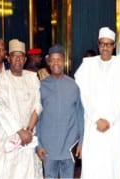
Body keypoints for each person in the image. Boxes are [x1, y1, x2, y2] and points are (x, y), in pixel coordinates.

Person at [75, 27, 120, 179]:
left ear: (114, 46)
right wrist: (96, 119)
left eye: (109, 44)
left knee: (113, 167)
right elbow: (84, 96)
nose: (105, 47)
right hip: (93, 126)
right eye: (102, 44)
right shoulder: (87, 65)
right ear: (98, 45)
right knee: (93, 167)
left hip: (113, 127)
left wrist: (109, 120)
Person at [0, 39, 43, 178]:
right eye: (14, 56)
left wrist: (29, 130)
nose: (18, 59)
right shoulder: (2, 79)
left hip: (29, 137)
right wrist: (20, 132)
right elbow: (1, 106)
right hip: (9, 136)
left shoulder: (32, 77)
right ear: (8, 58)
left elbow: (37, 105)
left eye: (21, 56)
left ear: (25, 59)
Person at [36, 44, 84, 178]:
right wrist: (38, 145)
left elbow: (80, 115)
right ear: (48, 62)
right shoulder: (41, 86)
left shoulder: (74, 86)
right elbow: (36, 118)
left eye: (59, 59)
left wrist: (81, 142)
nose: (56, 63)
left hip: (69, 147)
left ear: (64, 61)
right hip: (48, 148)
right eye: (53, 59)